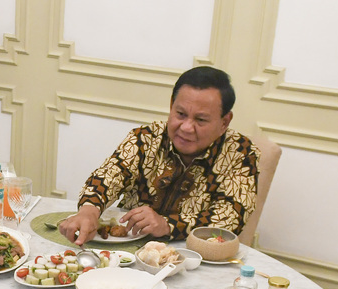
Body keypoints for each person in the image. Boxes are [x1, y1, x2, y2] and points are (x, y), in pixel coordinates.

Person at [59, 66, 260, 246]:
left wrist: (167, 224)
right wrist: (89, 211)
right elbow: (109, 176)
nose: (186, 127)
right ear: (172, 105)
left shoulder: (241, 154)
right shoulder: (146, 138)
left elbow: (230, 218)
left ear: (224, 122)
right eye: (180, 114)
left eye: (200, 120)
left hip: (193, 256)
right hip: (125, 249)